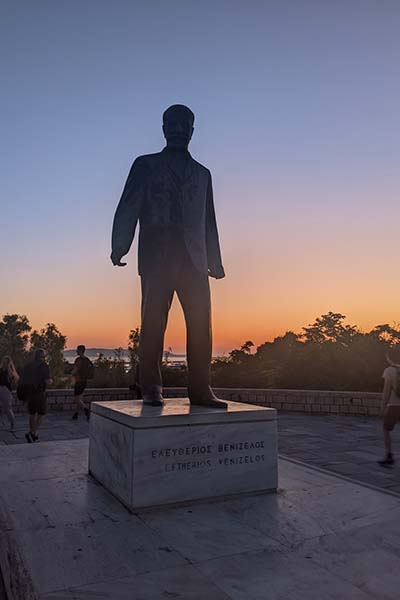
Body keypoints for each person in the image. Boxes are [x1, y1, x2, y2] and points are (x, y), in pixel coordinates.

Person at [111, 104, 227, 408]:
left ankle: (201, 389)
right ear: (163, 129)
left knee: (202, 325)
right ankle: (150, 386)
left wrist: (214, 260)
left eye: (183, 124)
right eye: (171, 124)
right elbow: (129, 205)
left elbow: (208, 219)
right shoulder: (145, 165)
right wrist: (120, 243)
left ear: (192, 130)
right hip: (156, 257)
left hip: (195, 261)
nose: (177, 129)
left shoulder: (203, 174)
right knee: (152, 324)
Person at [21, 348, 52, 443]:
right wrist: (51, 381)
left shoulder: (28, 365)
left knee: (32, 413)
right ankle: (32, 432)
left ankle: (33, 435)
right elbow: (47, 381)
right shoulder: (44, 366)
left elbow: (23, 378)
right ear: (43, 356)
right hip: (39, 392)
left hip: (29, 393)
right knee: (42, 413)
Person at [378, 350, 400, 466]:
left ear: (389, 358)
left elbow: (386, 391)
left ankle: (389, 455)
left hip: (394, 406)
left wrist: (383, 407)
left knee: (386, 429)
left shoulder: (389, 371)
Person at [71, 345, 92, 420]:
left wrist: (71, 373)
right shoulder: (87, 359)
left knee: (77, 399)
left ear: (80, 350)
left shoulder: (78, 360)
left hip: (78, 381)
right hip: (85, 381)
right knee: (80, 398)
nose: (76, 351)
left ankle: (86, 410)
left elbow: (75, 370)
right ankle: (76, 414)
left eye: (77, 350)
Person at [0, 356, 19, 430]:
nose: (5, 363)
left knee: (7, 408)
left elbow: (15, 380)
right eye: (4, 361)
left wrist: (10, 370)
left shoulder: (10, 372)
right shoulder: (0, 370)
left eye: (6, 362)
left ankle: (12, 424)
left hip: (6, 390)